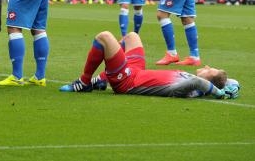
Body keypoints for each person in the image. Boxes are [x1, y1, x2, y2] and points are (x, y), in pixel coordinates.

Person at [59, 31, 240, 99]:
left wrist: (220, 93)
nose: (207, 66)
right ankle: (103, 78)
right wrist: (232, 85)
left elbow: (201, 84)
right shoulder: (197, 82)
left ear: (207, 80)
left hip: (128, 82)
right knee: (132, 36)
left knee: (104, 37)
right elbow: (229, 81)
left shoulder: (190, 89)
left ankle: (84, 83)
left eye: (210, 70)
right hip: (137, 71)